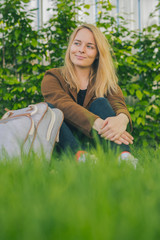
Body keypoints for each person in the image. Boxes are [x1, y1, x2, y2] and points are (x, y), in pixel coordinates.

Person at [41, 23, 136, 164]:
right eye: (77, 43)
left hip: (97, 142)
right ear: (70, 47)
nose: (81, 50)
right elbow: (63, 104)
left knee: (101, 103)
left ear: (98, 54)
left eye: (89, 46)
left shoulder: (105, 80)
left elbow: (118, 103)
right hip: (65, 141)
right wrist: (96, 123)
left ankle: (124, 158)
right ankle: (81, 157)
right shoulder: (53, 77)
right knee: (49, 110)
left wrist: (122, 120)